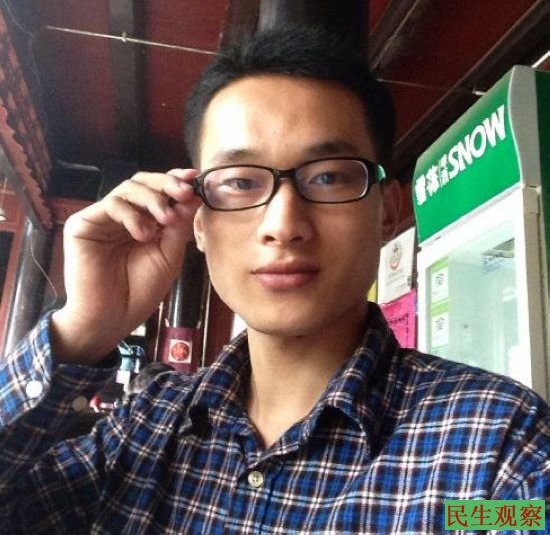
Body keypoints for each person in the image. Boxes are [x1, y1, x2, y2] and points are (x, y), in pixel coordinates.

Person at [0, 27, 548, 534]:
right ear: (198, 224)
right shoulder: (142, 429)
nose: (283, 225)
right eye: (240, 182)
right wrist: (81, 330)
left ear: (387, 211)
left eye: (328, 177)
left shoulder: (495, 452)